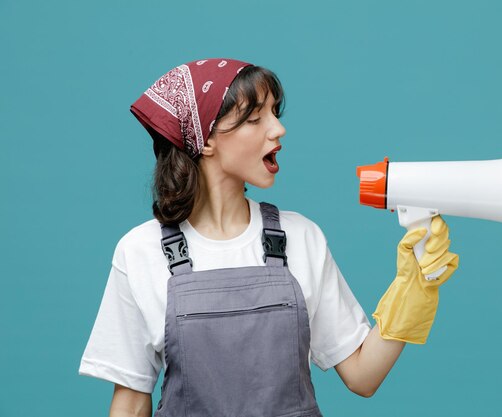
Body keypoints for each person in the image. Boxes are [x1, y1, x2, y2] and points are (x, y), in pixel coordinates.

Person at [78, 58, 459, 417]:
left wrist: (413, 289)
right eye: (255, 118)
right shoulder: (141, 252)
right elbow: (129, 404)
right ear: (206, 140)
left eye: (275, 113)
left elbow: (363, 376)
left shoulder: (300, 237)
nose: (277, 129)